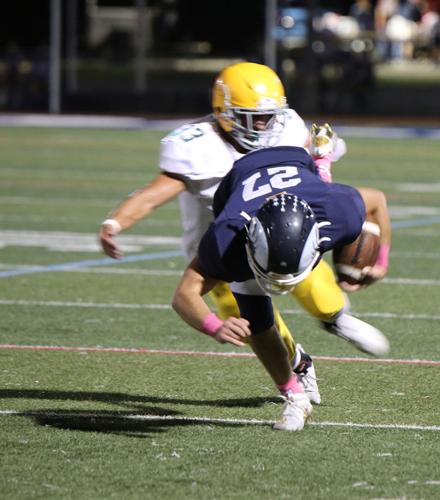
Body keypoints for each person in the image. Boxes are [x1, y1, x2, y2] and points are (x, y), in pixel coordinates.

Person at [98, 62, 392, 405]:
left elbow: (321, 169)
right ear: (225, 112)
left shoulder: (289, 128)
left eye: (270, 116)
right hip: (224, 243)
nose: (267, 125)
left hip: (278, 229)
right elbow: (152, 195)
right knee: (246, 318)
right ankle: (297, 363)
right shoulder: (199, 147)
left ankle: (336, 318)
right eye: (255, 117)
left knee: (303, 270)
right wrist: (115, 223)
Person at [171, 145, 390, 431]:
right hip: (238, 183)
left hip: (299, 167)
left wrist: (381, 261)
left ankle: (322, 166)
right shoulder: (228, 240)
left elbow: (377, 202)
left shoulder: (339, 213)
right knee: (257, 323)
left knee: (323, 187)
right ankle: (295, 397)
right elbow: (184, 294)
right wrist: (214, 326)